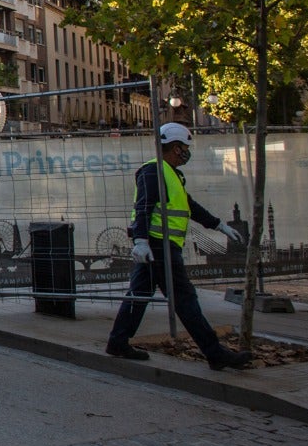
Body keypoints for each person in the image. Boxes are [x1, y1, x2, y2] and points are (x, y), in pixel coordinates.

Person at [106, 122, 252, 370]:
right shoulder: (154, 172)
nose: (186, 152)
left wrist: (218, 225)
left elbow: (189, 205)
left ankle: (118, 342)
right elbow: (143, 207)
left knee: (139, 296)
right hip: (159, 246)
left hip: (158, 246)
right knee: (185, 300)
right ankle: (215, 353)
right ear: (175, 148)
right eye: (184, 147)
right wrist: (140, 241)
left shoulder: (168, 173)